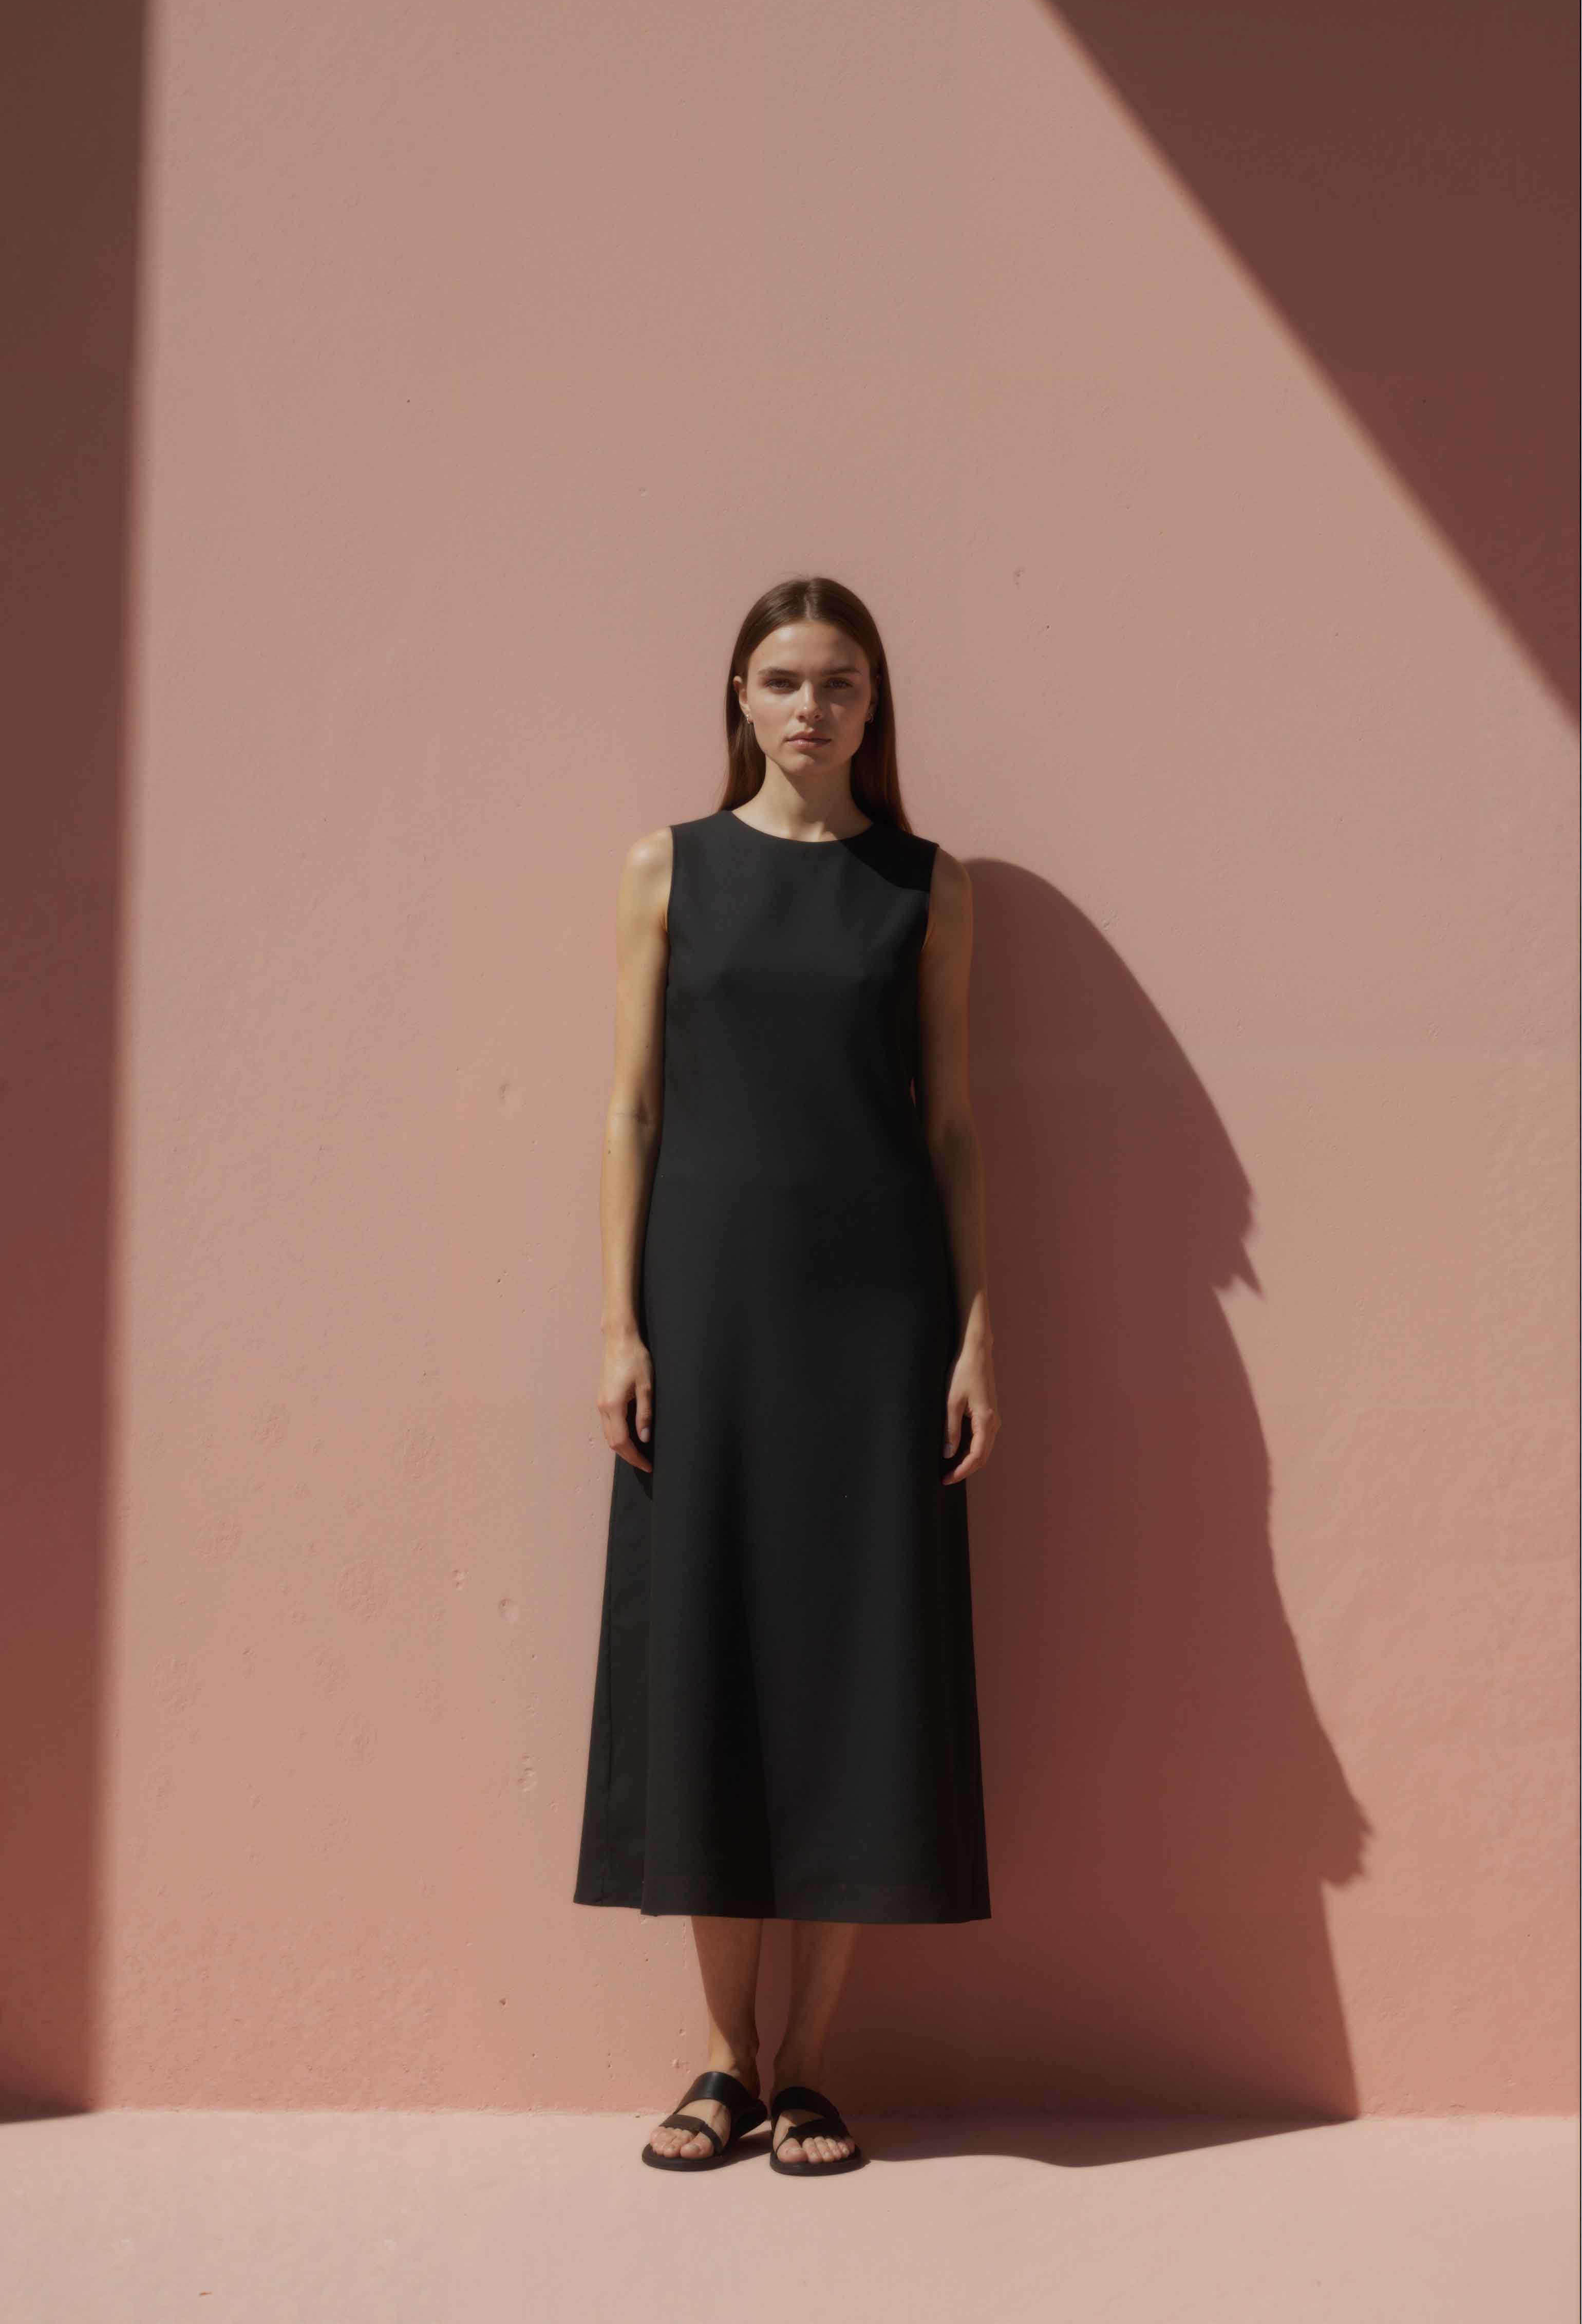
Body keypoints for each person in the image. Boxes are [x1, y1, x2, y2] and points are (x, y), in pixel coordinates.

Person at [573, 574, 997, 2176]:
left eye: (839, 681)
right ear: (738, 699)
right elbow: (628, 1110)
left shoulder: (928, 886)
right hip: (708, 1309)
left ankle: (808, 2066)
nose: (809, 706)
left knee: (857, 1669)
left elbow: (952, 1124)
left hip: (879, 1320)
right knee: (713, 1661)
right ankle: (718, 2062)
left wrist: (975, 1331)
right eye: (780, 679)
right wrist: (618, 1325)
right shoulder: (663, 871)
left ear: (876, 706)